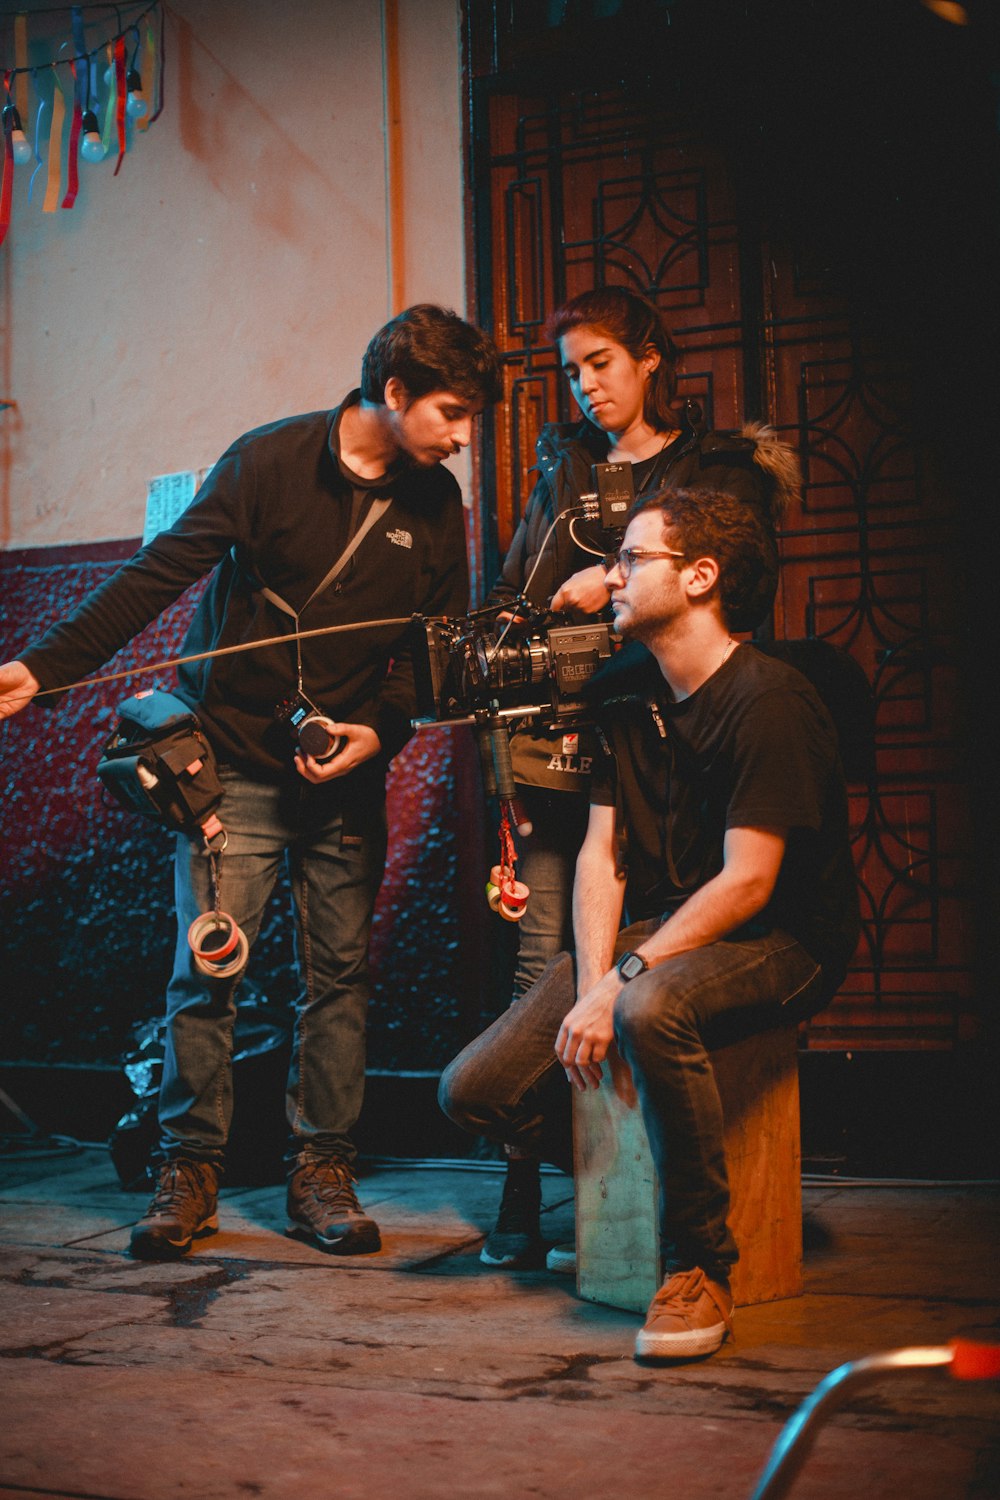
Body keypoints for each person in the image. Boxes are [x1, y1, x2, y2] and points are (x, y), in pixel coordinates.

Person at [0, 304, 501, 1262]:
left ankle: (323, 1172)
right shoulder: (267, 462)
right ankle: (186, 1173)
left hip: (344, 780)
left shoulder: (438, 508)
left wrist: (380, 731)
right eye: (452, 413)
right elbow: (159, 574)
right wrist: (46, 668)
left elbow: (426, 658)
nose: (464, 437)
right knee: (208, 971)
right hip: (230, 766)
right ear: (394, 394)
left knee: (339, 982)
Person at [440, 485, 860, 1361]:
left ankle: (699, 1265)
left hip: (787, 940)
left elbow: (749, 885)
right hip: (674, 928)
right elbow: (605, 856)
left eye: (632, 557)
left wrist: (624, 987)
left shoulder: (770, 700)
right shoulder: (624, 688)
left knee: (648, 1009)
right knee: (474, 1088)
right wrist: (592, 983)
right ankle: (625, 1197)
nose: (611, 575)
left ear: (701, 576)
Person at [479, 286, 800, 1270]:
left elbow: (738, 591)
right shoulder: (564, 470)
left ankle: (646, 1210)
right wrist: (559, 595)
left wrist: (618, 584)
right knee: (546, 958)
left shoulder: (713, 470)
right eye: (572, 371)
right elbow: (508, 599)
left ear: (650, 358)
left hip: (666, 745)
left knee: (660, 941)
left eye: (602, 363)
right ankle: (533, 1186)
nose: (586, 387)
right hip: (562, 739)